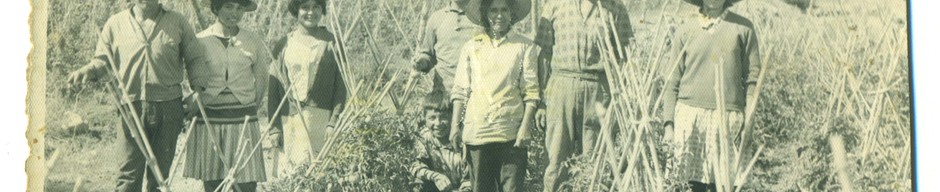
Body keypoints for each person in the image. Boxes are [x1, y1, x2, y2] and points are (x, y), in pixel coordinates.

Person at [65, 0, 210, 191]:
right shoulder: (115, 24)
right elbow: (102, 61)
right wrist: (89, 70)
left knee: (160, 177)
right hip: (130, 108)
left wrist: (197, 92)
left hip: (168, 109)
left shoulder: (178, 22)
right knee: (128, 176)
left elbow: (195, 58)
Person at [534, 0, 634, 191]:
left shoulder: (615, 7)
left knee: (595, 161)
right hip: (561, 84)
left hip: (599, 88)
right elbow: (545, 55)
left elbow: (624, 57)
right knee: (556, 159)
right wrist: (542, 101)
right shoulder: (555, 5)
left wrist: (621, 99)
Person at [660, 0, 760, 191]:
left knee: (725, 185)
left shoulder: (743, 28)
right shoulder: (685, 30)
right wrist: (668, 125)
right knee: (688, 184)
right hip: (690, 118)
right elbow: (672, 82)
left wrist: (749, 121)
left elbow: (752, 79)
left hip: (729, 120)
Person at [181, 0, 271, 191]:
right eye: (229, 6)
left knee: (246, 182)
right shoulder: (200, 40)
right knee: (214, 182)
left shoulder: (252, 41)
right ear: (216, 8)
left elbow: (262, 77)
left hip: (243, 119)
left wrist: (251, 105)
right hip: (210, 118)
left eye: (239, 8)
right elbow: (190, 75)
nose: (235, 13)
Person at [449, 0, 537, 191]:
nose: (499, 15)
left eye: (504, 9)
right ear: (485, 14)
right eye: (493, 10)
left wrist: (525, 127)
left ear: (511, 13)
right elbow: (461, 90)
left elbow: (531, 92)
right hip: (478, 133)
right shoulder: (472, 46)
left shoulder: (524, 46)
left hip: (510, 134)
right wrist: (455, 126)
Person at [266, 0, 347, 176]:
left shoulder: (332, 43)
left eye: (316, 7)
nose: (311, 12)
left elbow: (341, 87)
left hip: (321, 121)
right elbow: (273, 90)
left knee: (318, 175)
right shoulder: (283, 44)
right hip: (290, 120)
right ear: (296, 10)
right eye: (305, 7)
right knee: (291, 175)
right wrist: (274, 128)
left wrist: (333, 122)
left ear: (322, 9)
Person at [412, 0, 484, 97]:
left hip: (473, 96)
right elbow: (428, 55)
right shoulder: (436, 18)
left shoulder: (482, 19)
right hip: (443, 95)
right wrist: (421, 62)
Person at [410, 92, 471, 192]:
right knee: (418, 182)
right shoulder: (424, 137)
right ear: (425, 118)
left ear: (452, 117)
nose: (438, 123)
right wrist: (435, 176)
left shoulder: (463, 140)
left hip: (462, 189)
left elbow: (470, 177)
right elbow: (415, 166)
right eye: (432, 118)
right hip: (436, 188)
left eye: (444, 117)